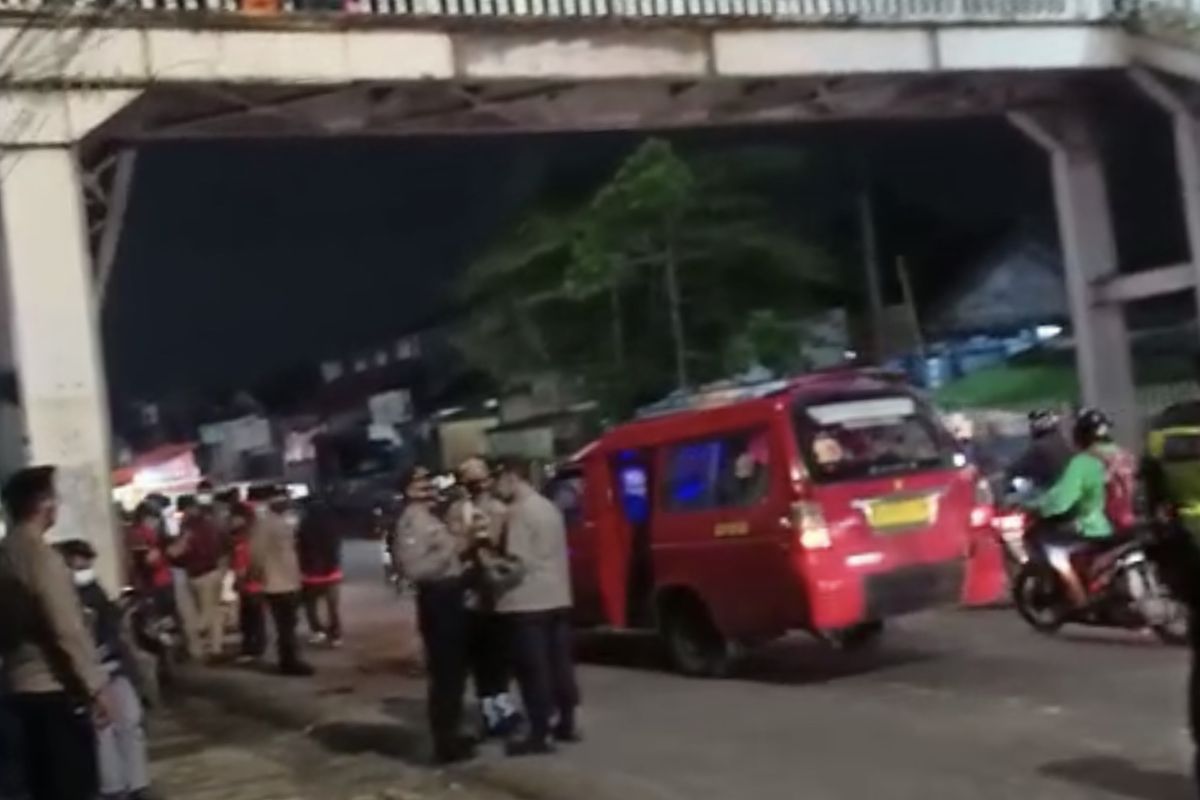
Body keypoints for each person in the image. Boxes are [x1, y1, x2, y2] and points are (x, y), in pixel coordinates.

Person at [0, 466, 110, 800]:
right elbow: (66, 628)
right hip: (53, 687)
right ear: (43, 504)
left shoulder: (6, 552)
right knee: (70, 785)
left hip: (15, 685)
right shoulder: (42, 558)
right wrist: (95, 687)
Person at [56, 540, 157, 800]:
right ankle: (114, 787)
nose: (85, 566)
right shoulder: (62, 594)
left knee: (129, 721)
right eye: (79, 561)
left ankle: (136, 782)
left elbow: (111, 628)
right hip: (90, 671)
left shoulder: (93, 591)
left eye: (88, 560)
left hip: (113, 666)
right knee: (105, 729)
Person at [493, 457, 580, 756]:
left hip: (528, 601)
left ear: (511, 477)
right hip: (557, 596)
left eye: (499, 480)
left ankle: (540, 733)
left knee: (534, 670)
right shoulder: (549, 508)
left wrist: (490, 569)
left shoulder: (518, 512)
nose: (497, 487)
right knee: (560, 665)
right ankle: (567, 721)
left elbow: (516, 563)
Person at [394, 466, 474, 765]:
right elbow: (415, 569)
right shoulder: (412, 522)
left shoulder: (428, 517)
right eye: (421, 483)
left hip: (449, 597)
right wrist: (455, 549)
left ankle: (451, 734)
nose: (429, 487)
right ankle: (446, 743)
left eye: (429, 481)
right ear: (408, 489)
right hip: (438, 600)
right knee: (446, 674)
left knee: (454, 674)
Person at [447, 457, 521, 738]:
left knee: (500, 655)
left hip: (496, 590)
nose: (479, 486)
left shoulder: (500, 509)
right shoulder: (458, 511)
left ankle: (501, 704)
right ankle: (492, 711)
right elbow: (454, 549)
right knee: (482, 656)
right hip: (471, 594)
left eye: (481, 479)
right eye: (472, 481)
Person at [249, 486, 312, 677]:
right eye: (283, 499)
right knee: (285, 626)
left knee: (290, 624)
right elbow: (256, 553)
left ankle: (291, 659)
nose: (287, 502)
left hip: (289, 580)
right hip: (276, 583)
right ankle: (288, 662)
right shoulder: (264, 523)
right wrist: (257, 575)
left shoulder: (284, 520)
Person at [168, 496, 226, 661]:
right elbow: (224, 547)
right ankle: (216, 648)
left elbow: (177, 552)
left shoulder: (189, 527)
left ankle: (198, 649)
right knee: (213, 612)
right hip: (214, 572)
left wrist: (171, 551)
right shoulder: (212, 524)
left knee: (198, 615)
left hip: (198, 574)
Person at [296, 498, 344, 648]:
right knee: (332, 607)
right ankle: (335, 634)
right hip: (331, 573)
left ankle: (317, 631)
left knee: (311, 605)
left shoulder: (305, 526)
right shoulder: (332, 525)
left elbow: (300, 548)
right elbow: (336, 548)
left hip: (312, 574)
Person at [228, 502, 266, 663]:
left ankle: (252, 649)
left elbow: (243, 563)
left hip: (250, 585)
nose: (231, 520)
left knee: (251, 619)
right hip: (255, 584)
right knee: (254, 618)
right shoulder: (251, 535)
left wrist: (239, 580)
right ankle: (255, 647)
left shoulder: (243, 538)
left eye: (234, 517)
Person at [1005, 409, 1074, 492]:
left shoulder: (1039, 447)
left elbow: (1019, 467)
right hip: (1065, 484)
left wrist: (1008, 470)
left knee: (1015, 494)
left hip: (1051, 488)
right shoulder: (1062, 440)